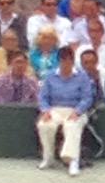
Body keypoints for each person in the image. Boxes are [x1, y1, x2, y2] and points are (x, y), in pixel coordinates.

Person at [37, 45, 93, 176]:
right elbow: (43, 97)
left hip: (75, 110)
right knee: (44, 125)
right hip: (55, 110)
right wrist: (45, 111)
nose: (65, 63)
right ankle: (48, 158)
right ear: (59, 61)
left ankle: (72, 161)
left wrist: (77, 112)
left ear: (73, 61)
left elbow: (87, 98)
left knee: (72, 126)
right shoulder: (50, 76)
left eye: (68, 60)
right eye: (63, 60)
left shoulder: (82, 76)